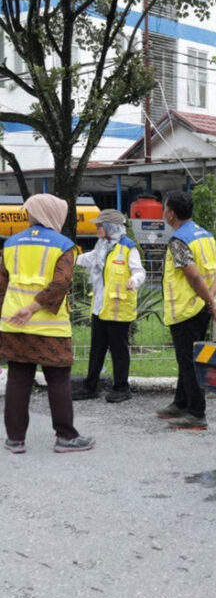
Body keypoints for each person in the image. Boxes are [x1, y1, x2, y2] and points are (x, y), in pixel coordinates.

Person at [0, 194, 94, 454]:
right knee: (58, 379)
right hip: (49, 326)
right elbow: (61, 283)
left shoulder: (10, 243)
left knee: (18, 379)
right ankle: (65, 437)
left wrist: (12, 312)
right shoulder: (63, 245)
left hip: (13, 323)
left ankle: (15, 439)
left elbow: (2, 284)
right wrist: (33, 308)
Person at [156, 190, 216, 430]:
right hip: (201, 307)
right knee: (187, 358)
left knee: (188, 362)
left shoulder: (179, 240)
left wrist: (210, 302)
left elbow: (194, 277)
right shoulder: (205, 235)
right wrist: (211, 300)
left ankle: (196, 413)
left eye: (164, 208)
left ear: (171, 214)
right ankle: (181, 402)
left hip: (186, 310)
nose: (163, 212)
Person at [72, 209, 146, 403]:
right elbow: (88, 259)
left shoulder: (128, 247)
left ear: (111, 226)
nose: (97, 228)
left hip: (118, 310)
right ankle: (90, 386)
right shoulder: (102, 246)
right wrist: (69, 258)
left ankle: (122, 388)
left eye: (100, 225)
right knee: (96, 350)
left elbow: (140, 271)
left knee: (119, 351)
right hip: (100, 309)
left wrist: (134, 280)